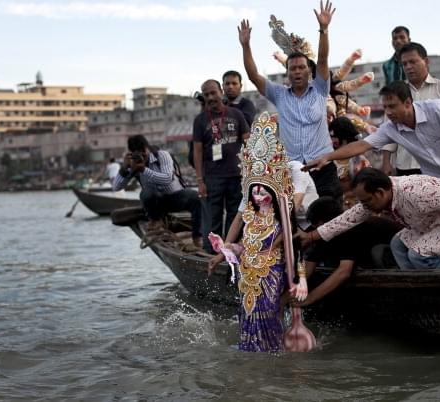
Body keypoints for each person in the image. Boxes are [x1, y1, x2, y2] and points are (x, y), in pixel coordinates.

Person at [305, 81, 440, 267]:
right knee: (438, 227)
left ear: (408, 103)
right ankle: (439, 269)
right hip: (439, 185)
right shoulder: (391, 128)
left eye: (392, 106)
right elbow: (363, 145)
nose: (388, 112)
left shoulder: (436, 109)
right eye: (386, 107)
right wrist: (328, 157)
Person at [213, 111, 308, 352]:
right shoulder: (251, 216)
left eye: (262, 191)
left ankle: (271, 348)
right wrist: (226, 248)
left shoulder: (283, 211)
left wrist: (299, 279)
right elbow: (244, 244)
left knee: (268, 311)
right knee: (246, 312)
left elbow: (293, 245)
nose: (257, 195)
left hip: (271, 271)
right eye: (253, 192)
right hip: (248, 273)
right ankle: (250, 346)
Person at [237, 1, 343, 202]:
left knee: (331, 219)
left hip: (323, 166)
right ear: (287, 73)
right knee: (298, 222)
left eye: (301, 67)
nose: (296, 71)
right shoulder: (279, 94)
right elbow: (253, 76)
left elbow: (322, 59)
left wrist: (324, 29)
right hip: (294, 170)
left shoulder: (320, 89)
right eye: (292, 68)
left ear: (308, 70)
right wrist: (246, 45)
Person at [299, 168, 440, 269]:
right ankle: (415, 285)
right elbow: (346, 219)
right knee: (398, 244)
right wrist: (312, 237)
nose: (364, 206)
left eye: (367, 201)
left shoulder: (415, 191)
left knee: (419, 255)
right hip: (431, 224)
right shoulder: (377, 198)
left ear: (380, 193)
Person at [291, 196, 400, 307]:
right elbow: (308, 268)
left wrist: (310, 298)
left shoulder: (348, 231)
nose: (314, 230)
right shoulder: (321, 234)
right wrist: (286, 297)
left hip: (395, 256)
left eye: (316, 225)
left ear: (323, 223)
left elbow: (344, 272)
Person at [382, 42, 440, 177]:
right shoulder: (396, 93)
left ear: (426, 61)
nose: (409, 67)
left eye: (413, 62)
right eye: (404, 64)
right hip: (405, 165)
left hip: (438, 165)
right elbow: (389, 129)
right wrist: (386, 162)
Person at [193, 79, 250, 253]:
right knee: (213, 218)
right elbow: (197, 152)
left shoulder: (236, 114)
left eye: (213, 92)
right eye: (206, 94)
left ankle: (230, 250)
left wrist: (251, 168)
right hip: (213, 177)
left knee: (235, 215)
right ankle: (212, 253)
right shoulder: (200, 120)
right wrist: (200, 180)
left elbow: (248, 141)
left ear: (221, 92)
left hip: (237, 175)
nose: (210, 97)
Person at [113, 135, 201, 243]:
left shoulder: (162, 155)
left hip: (175, 197)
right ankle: (156, 221)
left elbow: (167, 179)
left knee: (196, 197)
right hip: (155, 204)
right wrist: (124, 169)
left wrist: (144, 170)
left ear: (147, 148)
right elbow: (116, 187)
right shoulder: (134, 164)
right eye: (138, 154)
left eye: (143, 152)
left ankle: (198, 236)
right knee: (147, 193)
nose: (142, 157)